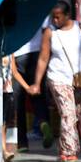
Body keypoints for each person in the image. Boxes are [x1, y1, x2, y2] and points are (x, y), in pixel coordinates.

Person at [33, 1, 81, 162]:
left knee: (77, 115)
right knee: (68, 114)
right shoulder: (50, 32)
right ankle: (69, 151)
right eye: (53, 17)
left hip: (78, 79)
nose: (55, 20)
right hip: (57, 78)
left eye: (58, 17)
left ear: (67, 15)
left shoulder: (80, 28)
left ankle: (63, 148)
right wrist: (37, 83)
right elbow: (43, 58)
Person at [15, 15, 53, 150]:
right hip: (37, 52)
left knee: (18, 101)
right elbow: (46, 31)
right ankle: (43, 122)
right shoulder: (39, 6)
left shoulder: (14, 7)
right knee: (38, 94)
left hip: (18, 53)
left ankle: (22, 143)